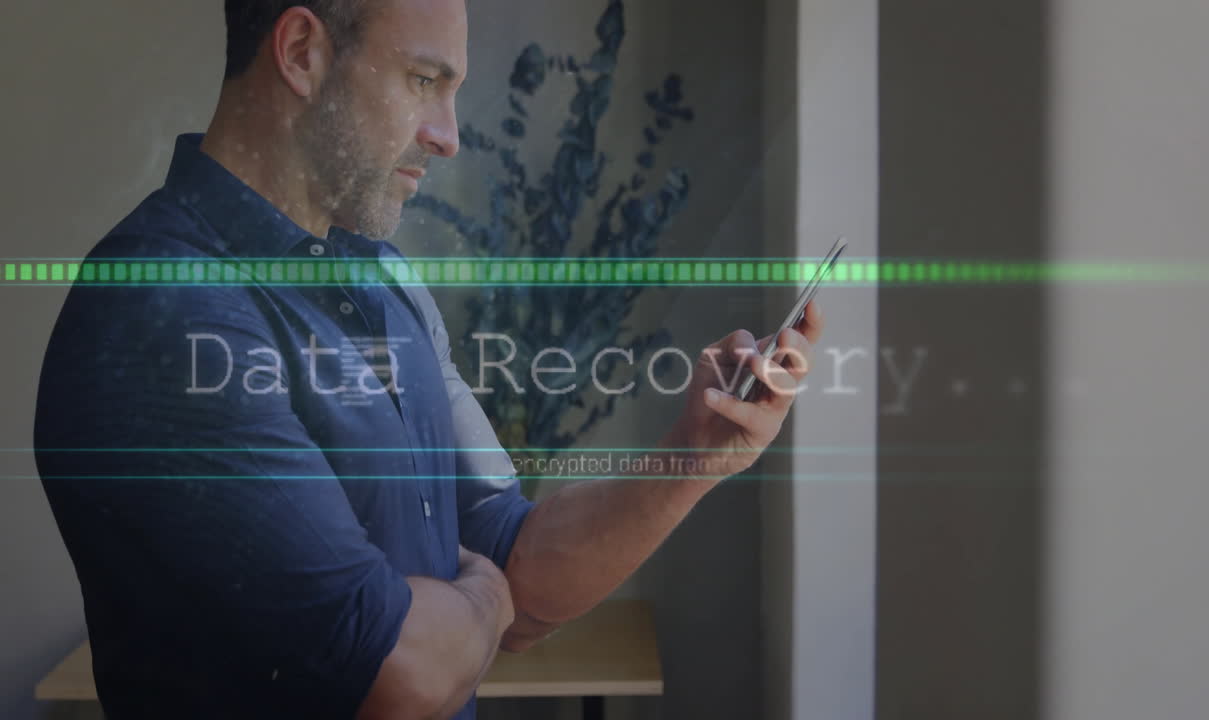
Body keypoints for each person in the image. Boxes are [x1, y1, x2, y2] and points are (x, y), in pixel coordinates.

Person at [33, 1, 824, 718]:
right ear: (303, 52)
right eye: (423, 80)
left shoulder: (386, 280)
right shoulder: (163, 311)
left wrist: (694, 456)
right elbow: (397, 674)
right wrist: (481, 594)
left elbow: (519, 560)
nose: (448, 134)